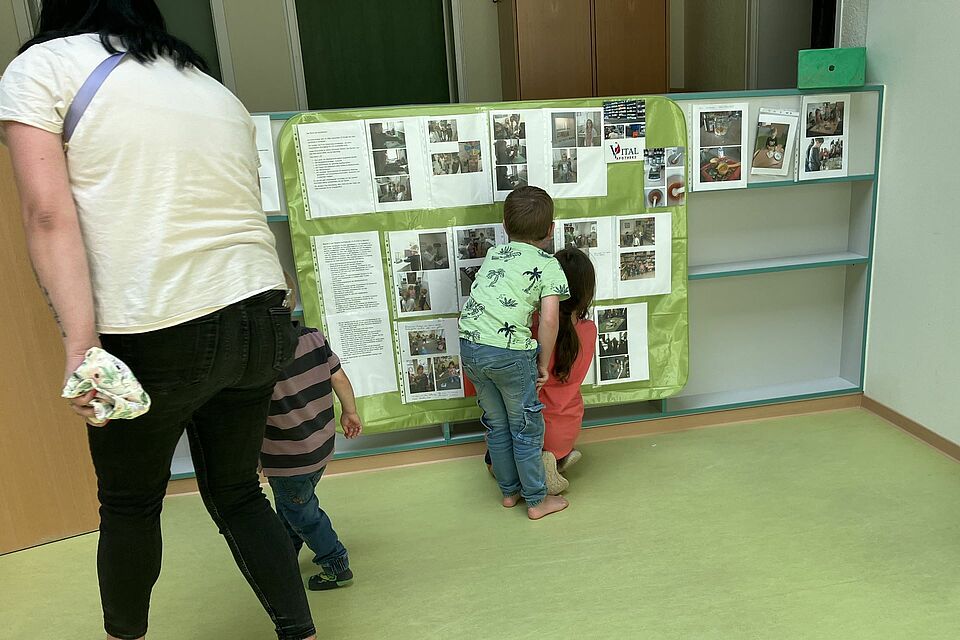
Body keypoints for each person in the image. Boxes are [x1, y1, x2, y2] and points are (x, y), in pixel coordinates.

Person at [0, 2, 316, 639]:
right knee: (238, 492)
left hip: (158, 325)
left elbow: (47, 215)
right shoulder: (208, 85)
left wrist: (81, 348)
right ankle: (300, 632)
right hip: (262, 315)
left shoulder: (45, 65)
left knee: (129, 505)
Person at [459, 186, 570, 520]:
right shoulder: (548, 265)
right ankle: (536, 501)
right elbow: (549, 320)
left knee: (497, 424)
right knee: (525, 428)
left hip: (470, 345)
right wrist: (542, 362)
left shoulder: (495, 254)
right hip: (509, 353)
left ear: (505, 226)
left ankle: (509, 493)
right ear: (551, 230)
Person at [263, 276, 362, 592]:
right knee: (292, 504)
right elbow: (339, 378)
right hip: (320, 446)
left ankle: (335, 563)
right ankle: (284, 553)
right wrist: (349, 412)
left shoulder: (261, 358)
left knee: (302, 512)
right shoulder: (314, 338)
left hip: (287, 457)